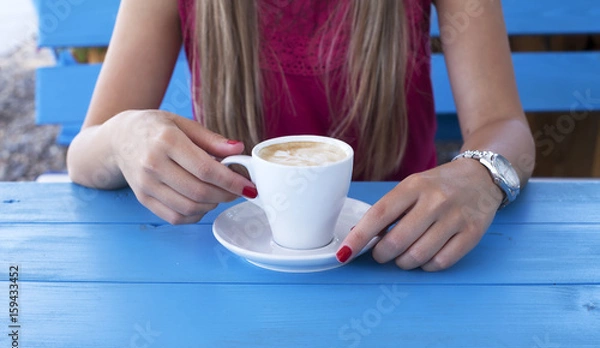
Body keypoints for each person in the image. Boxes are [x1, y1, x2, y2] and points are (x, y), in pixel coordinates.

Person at [66, 0, 535, 272]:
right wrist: (124, 137)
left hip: (399, 257)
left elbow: (505, 124)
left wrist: (481, 175)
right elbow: (84, 153)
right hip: (234, 276)